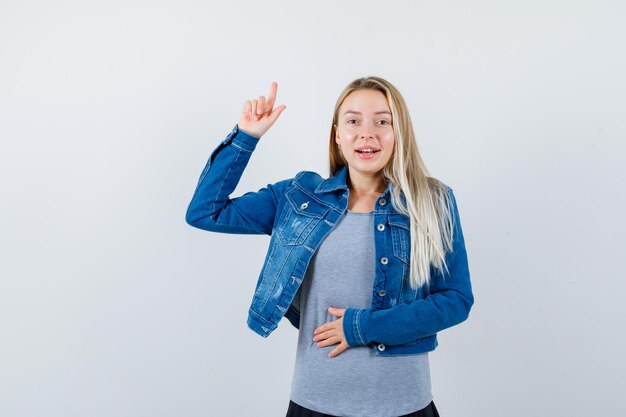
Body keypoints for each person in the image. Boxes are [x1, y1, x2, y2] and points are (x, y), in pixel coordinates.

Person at [185, 76, 474, 417]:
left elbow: (455, 300)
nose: (367, 132)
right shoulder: (298, 198)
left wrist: (363, 327)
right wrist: (246, 137)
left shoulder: (432, 201)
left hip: (403, 403)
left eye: (383, 121)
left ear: (399, 133)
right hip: (315, 401)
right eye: (353, 121)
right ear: (338, 135)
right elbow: (205, 212)